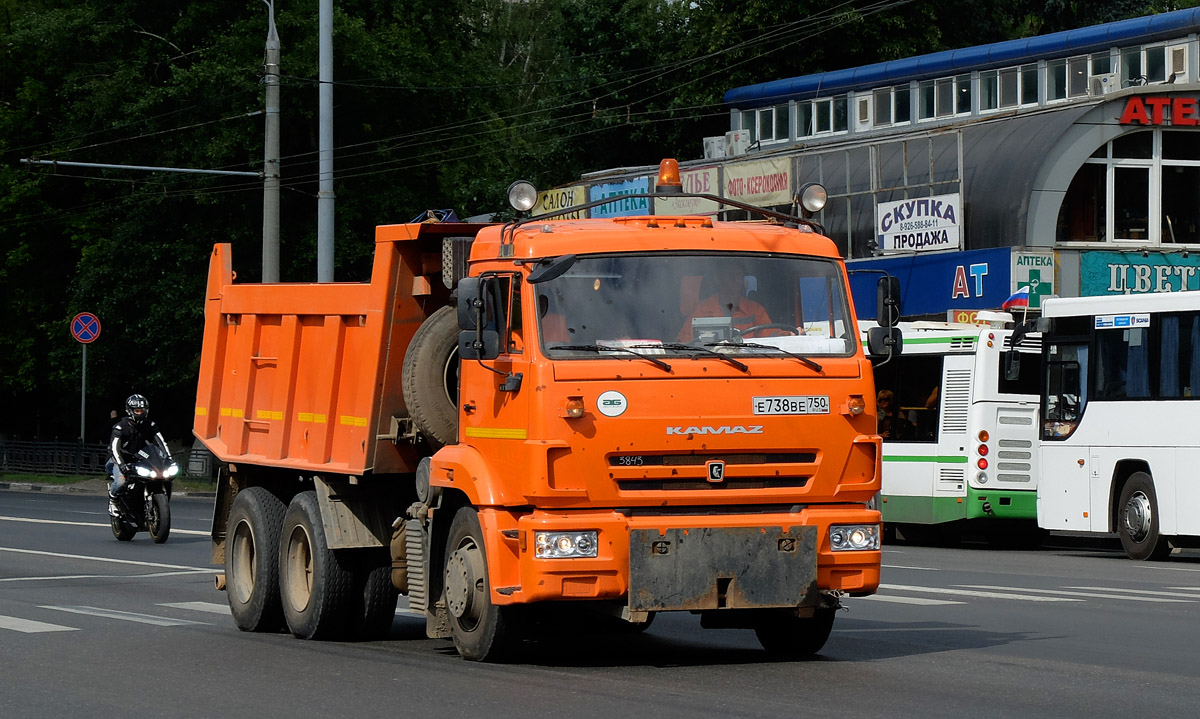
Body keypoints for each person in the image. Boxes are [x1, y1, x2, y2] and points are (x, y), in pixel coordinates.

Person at [107, 394, 171, 516]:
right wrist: (121, 465)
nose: (140, 413)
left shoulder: (150, 425)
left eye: (142, 410)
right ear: (130, 411)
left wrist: (168, 459)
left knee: (164, 476)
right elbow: (115, 449)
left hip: (142, 459)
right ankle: (113, 499)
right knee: (121, 482)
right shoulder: (120, 427)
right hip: (121, 459)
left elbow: (161, 442)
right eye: (137, 410)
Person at [677, 267, 775, 342]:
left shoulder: (755, 310)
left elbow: (772, 336)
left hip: (749, 365)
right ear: (718, 279)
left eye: (739, 276)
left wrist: (788, 335)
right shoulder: (704, 308)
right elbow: (684, 342)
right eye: (731, 276)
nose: (736, 280)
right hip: (710, 363)